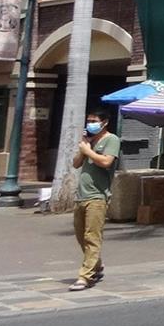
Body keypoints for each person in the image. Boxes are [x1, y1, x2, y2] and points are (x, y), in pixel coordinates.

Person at [69, 110, 121, 290]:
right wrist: (84, 147)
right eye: (89, 120)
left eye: (94, 121)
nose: (90, 123)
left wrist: (89, 151)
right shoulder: (89, 142)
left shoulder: (111, 139)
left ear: (104, 122)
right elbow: (76, 164)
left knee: (92, 237)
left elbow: (106, 162)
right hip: (81, 196)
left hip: (97, 196)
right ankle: (97, 264)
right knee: (80, 234)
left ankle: (85, 276)